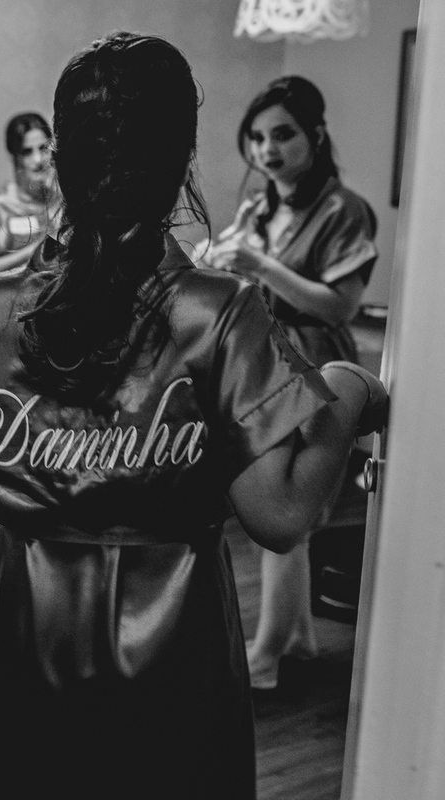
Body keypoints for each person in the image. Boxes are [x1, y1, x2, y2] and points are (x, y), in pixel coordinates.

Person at [0, 32, 387, 799]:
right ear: (182, 164)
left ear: (61, 162)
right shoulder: (220, 314)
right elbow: (283, 514)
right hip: (176, 660)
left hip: (22, 638)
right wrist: (347, 386)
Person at [199, 76, 378, 691]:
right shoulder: (260, 206)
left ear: (316, 135)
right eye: (256, 137)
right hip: (260, 362)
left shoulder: (344, 209)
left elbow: (339, 307)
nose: (267, 149)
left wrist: (261, 266)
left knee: (282, 510)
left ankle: (267, 653)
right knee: (276, 509)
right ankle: (296, 635)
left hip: (312, 362)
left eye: (283, 134)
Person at [0, 112, 63, 281]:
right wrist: (36, 251)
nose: (38, 159)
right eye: (27, 152)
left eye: (43, 148)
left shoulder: (62, 202)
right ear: (15, 157)